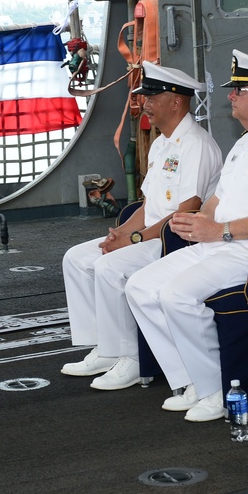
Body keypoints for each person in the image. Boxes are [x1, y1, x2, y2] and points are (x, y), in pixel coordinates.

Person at [124, 49, 248, 422]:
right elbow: (217, 200)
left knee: (176, 295)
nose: (230, 95)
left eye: (240, 89)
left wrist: (220, 230)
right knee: (139, 286)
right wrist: (194, 221)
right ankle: (189, 380)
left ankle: (215, 388)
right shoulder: (245, 143)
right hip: (218, 240)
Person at [60, 61, 222, 390]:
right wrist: (121, 233)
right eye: (144, 96)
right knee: (76, 258)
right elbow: (148, 205)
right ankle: (104, 347)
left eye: (151, 96)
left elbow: (186, 211)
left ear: (176, 102)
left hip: (178, 239)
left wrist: (133, 238)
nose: (144, 103)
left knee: (108, 267)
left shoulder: (197, 145)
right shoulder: (162, 142)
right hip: (149, 233)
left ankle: (131, 357)